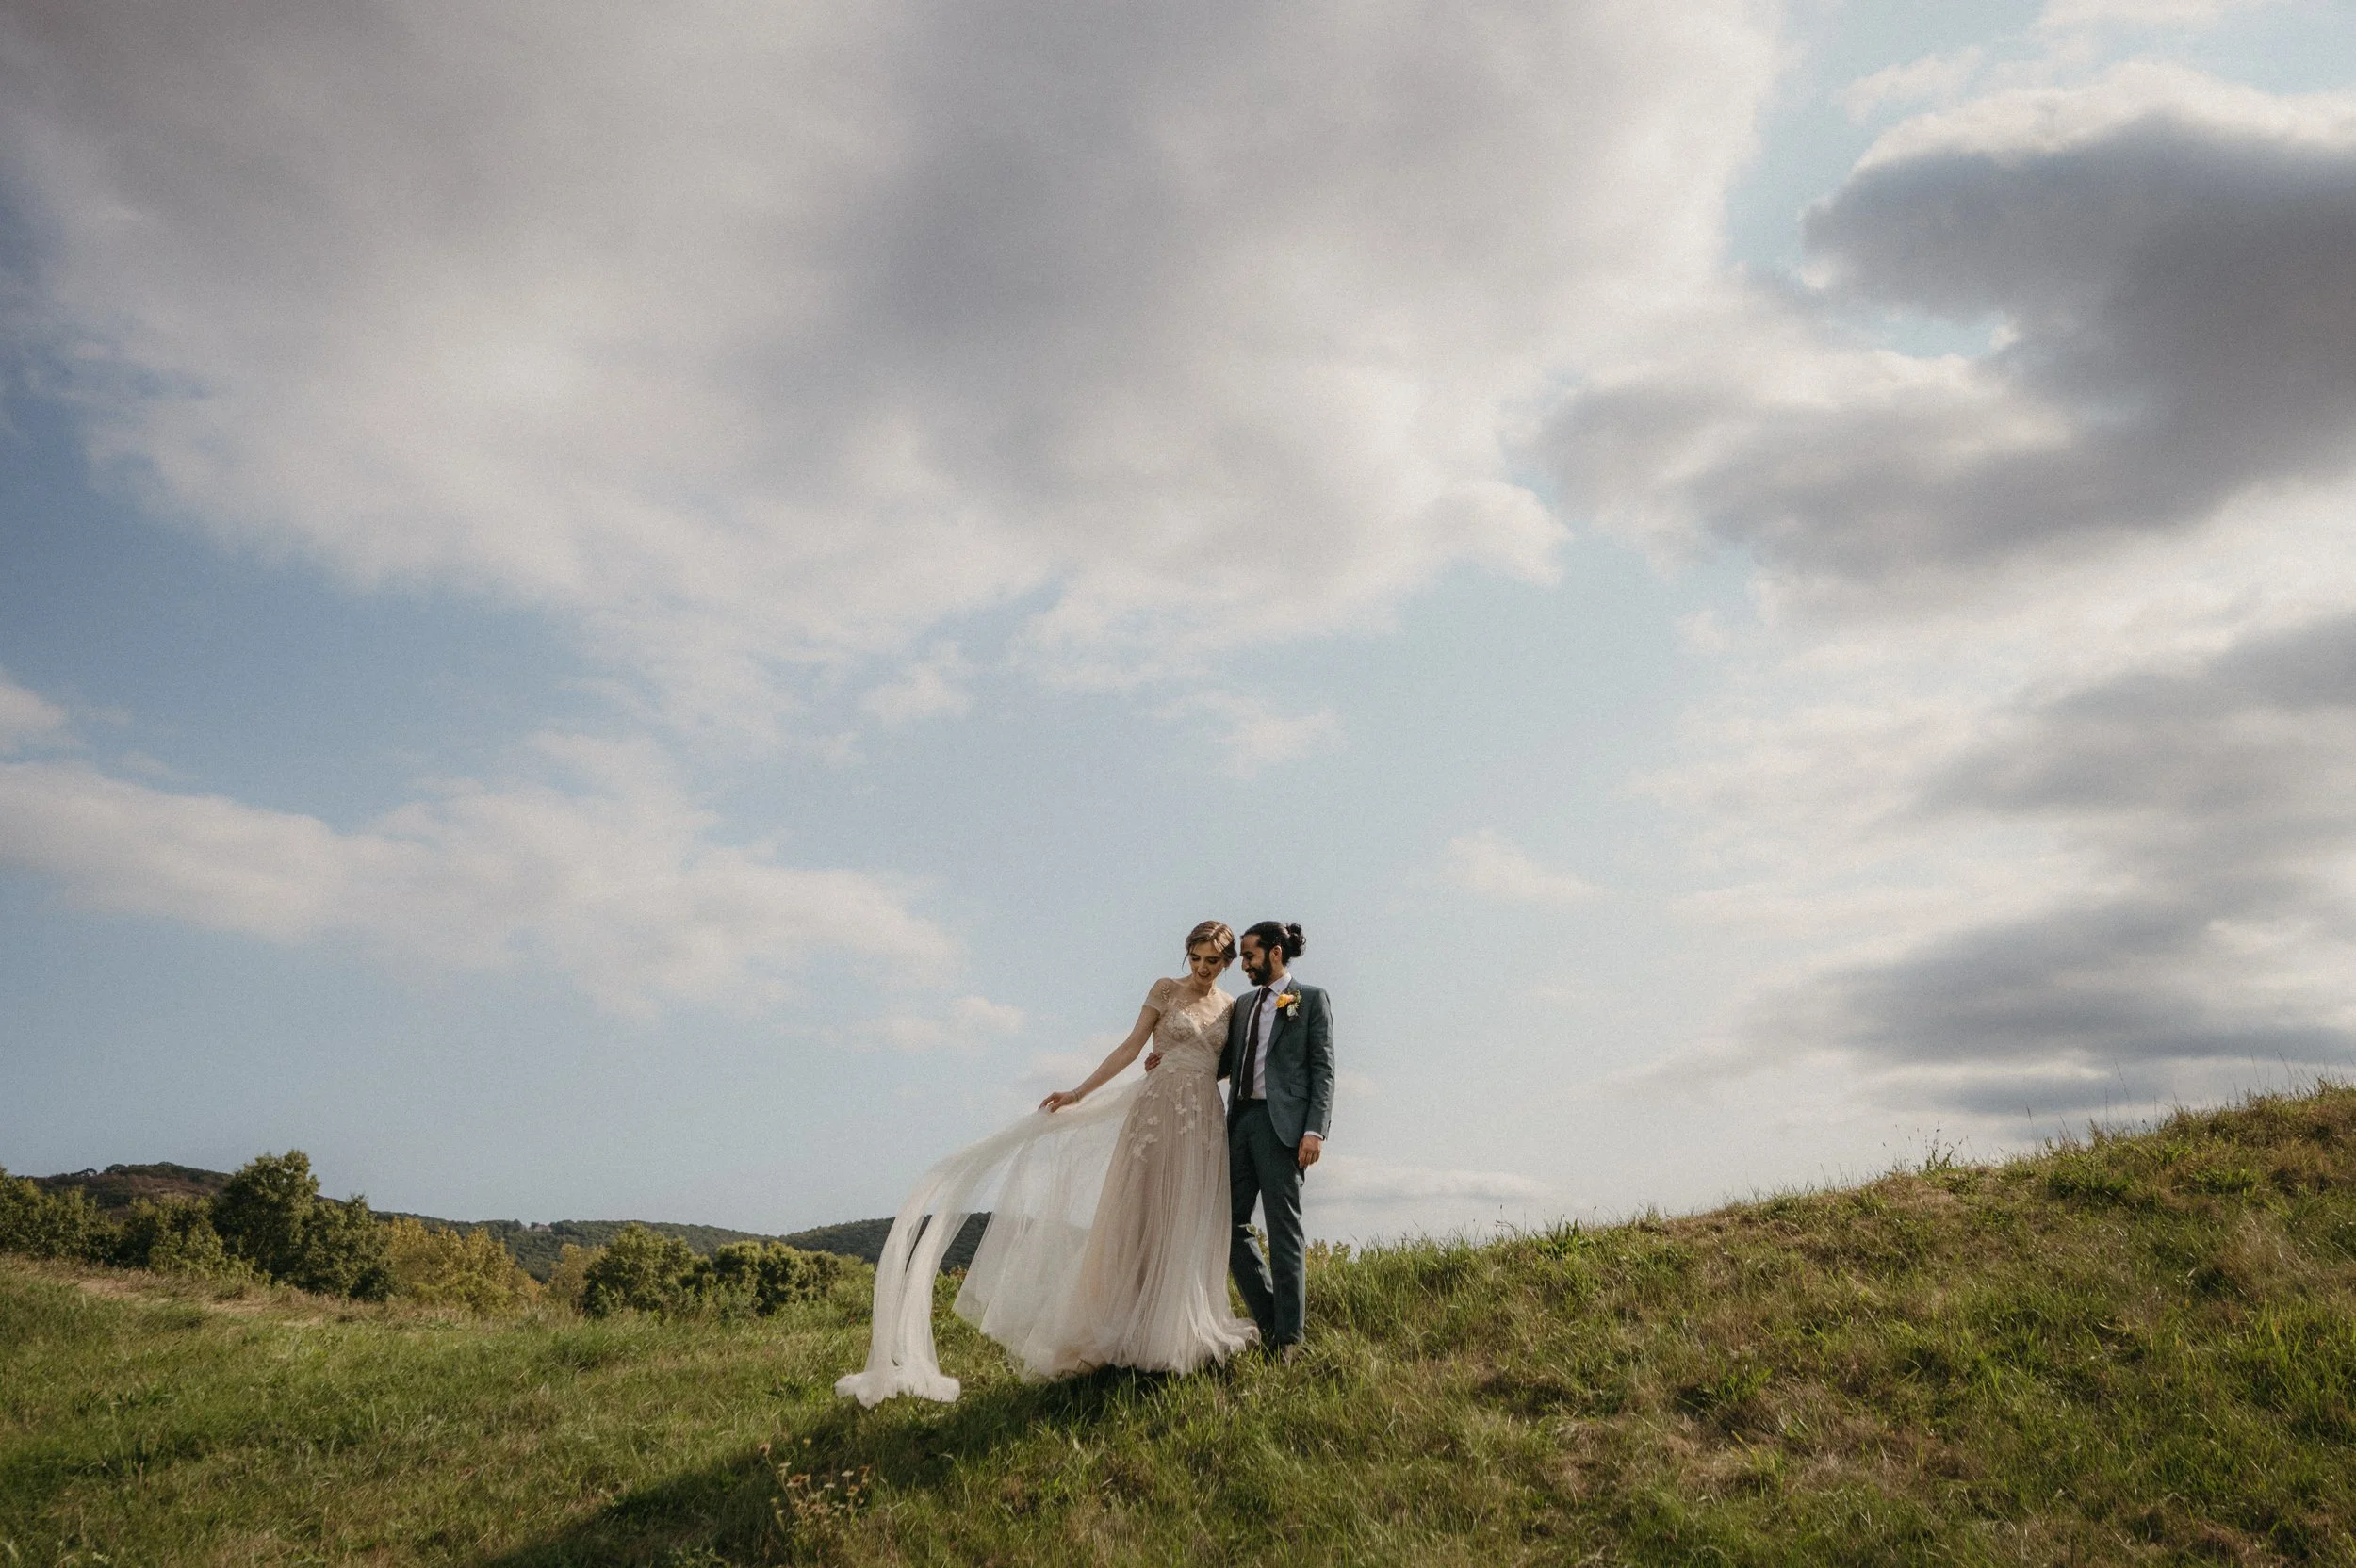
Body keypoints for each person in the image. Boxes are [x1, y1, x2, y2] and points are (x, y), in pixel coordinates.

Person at [836, 921, 1260, 1406]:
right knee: (1139, 1213)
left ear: (1227, 964)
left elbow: (1229, 1064)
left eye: (1214, 962)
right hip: (1156, 1112)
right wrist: (1079, 1092)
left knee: (1185, 1219)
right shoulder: (1165, 989)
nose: (1204, 970)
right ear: (1188, 956)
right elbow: (1129, 1047)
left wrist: (1191, 1064)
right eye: (1197, 959)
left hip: (1204, 1117)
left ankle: (1174, 1327)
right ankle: (1126, 1323)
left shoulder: (1232, 1007)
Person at [1217, 920, 1333, 1359]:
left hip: (1283, 1128)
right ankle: (1270, 1321)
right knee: (1227, 1226)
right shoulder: (1243, 1005)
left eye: (1249, 955)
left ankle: (1289, 1341)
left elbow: (1323, 1069)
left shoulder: (1311, 1000)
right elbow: (1222, 1062)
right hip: (1239, 1122)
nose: (1243, 964)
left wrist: (1314, 1129)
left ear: (1275, 953)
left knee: (1284, 1231)